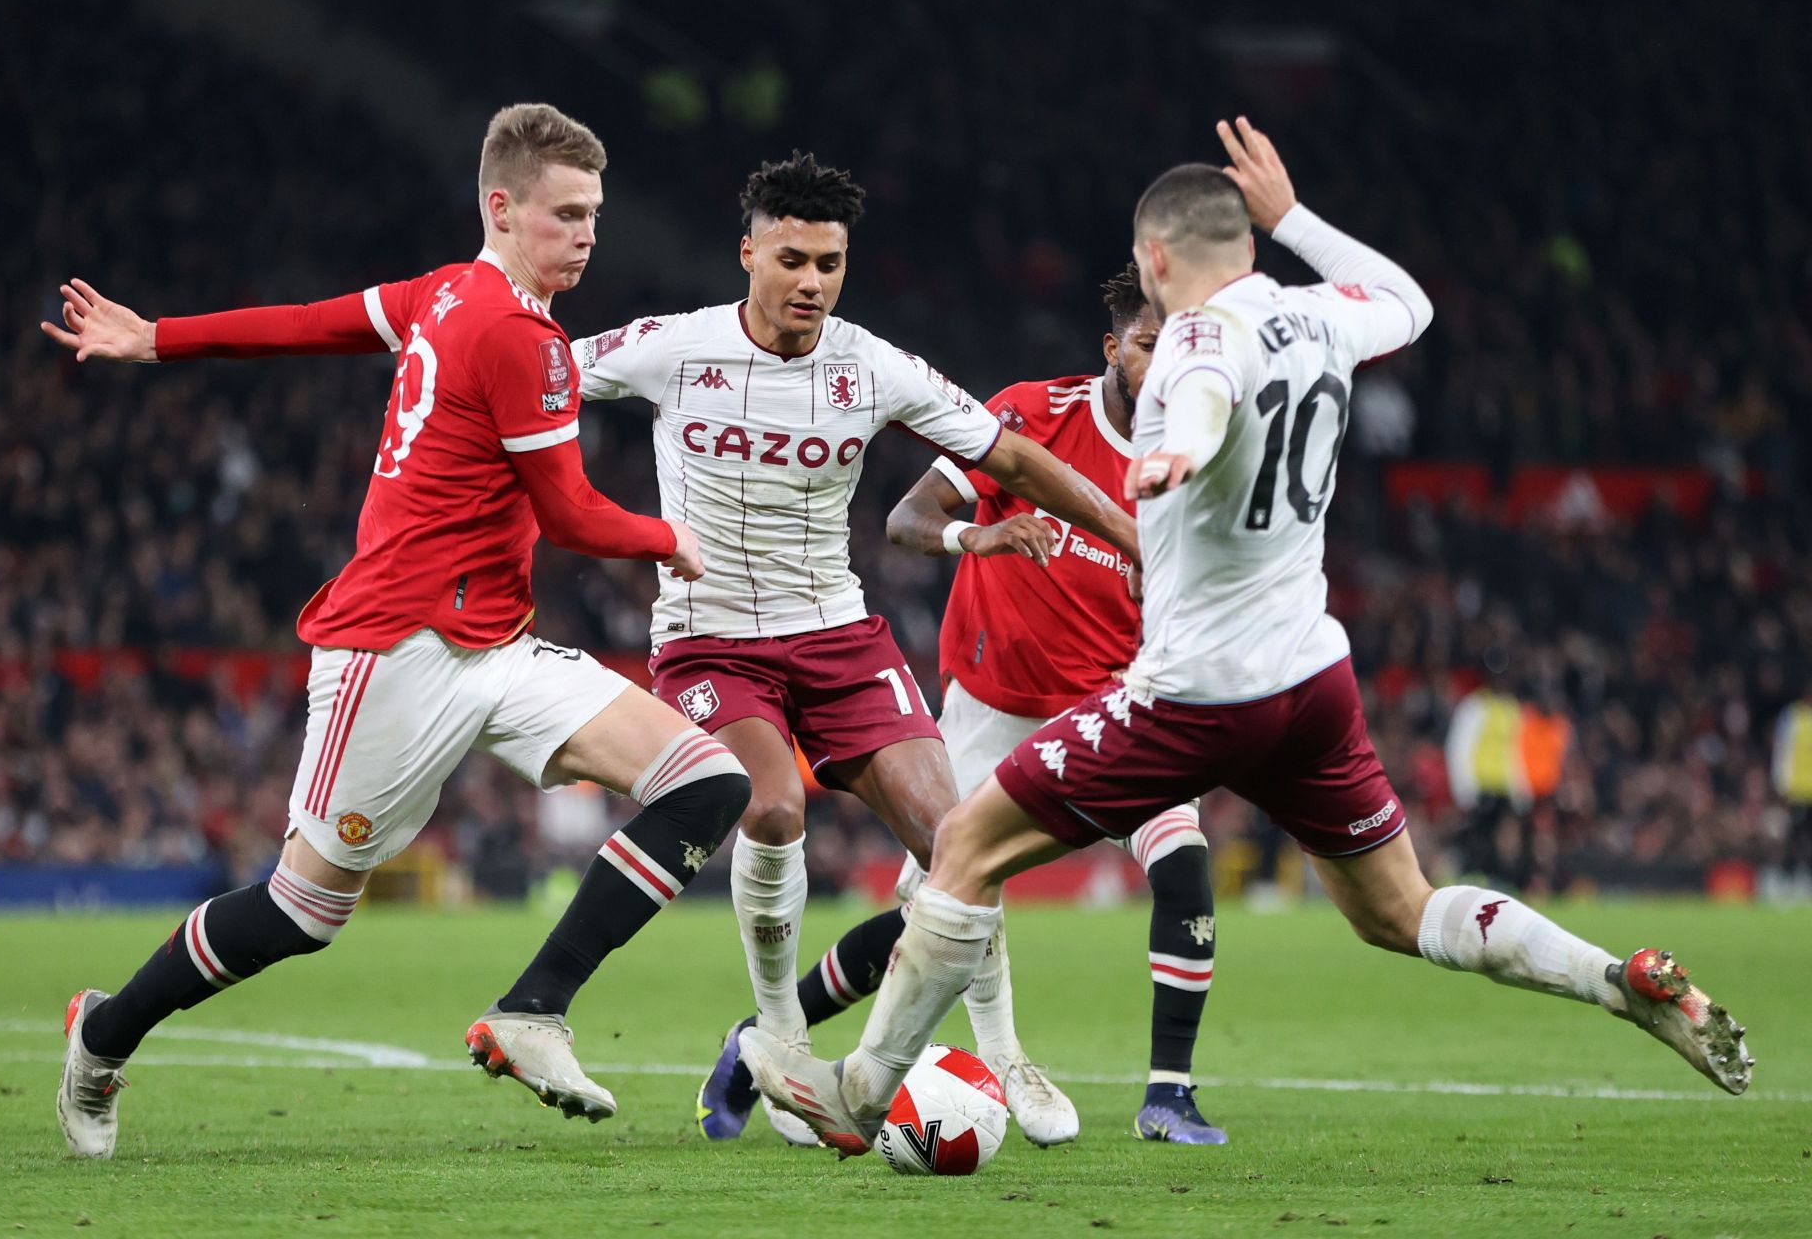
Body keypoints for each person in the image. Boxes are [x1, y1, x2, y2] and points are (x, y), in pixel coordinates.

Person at [740, 117, 1754, 1156]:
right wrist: (1298, 217)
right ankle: (1610, 978)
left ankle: (860, 1091)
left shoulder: (1189, 338)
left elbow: (1209, 381)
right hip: (1311, 680)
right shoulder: (1322, 317)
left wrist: (1177, 449)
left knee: (964, 845)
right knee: (1399, 908)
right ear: (1253, 243)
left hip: (1194, 692)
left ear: (1156, 259)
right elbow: (1413, 299)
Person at [41, 103, 753, 1159]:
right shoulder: (517, 331)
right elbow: (568, 512)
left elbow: (310, 320)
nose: (588, 234)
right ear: (502, 209)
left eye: (595, 213)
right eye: (566, 214)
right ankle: (102, 1035)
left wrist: (161, 337)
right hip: (394, 650)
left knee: (706, 779)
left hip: (495, 645)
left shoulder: (445, 290)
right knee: (298, 913)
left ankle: (533, 1007)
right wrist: (667, 536)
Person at [570, 152, 1137, 1147]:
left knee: (961, 838)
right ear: (747, 252)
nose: (811, 283)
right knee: (774, 801)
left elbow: (1003, 453)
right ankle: (782, 1027)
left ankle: (966, 1056)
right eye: (791, 258)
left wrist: (1134, 535)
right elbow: (538, 380)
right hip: (711, 638)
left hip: (836, 633)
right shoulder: (673, 348)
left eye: (829, 264)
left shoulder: (871, 364)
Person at [701, 264, 1225, 1145]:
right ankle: (762, 1037)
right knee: (933, 917)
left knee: (1184, 861)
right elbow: (907, 517)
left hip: (1115, 707)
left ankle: (1168, 1094)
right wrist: (975, 535)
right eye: (1148, 345)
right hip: (995, 711)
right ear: (1113, 349)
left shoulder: (1198, 461)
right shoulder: (1032, 414)